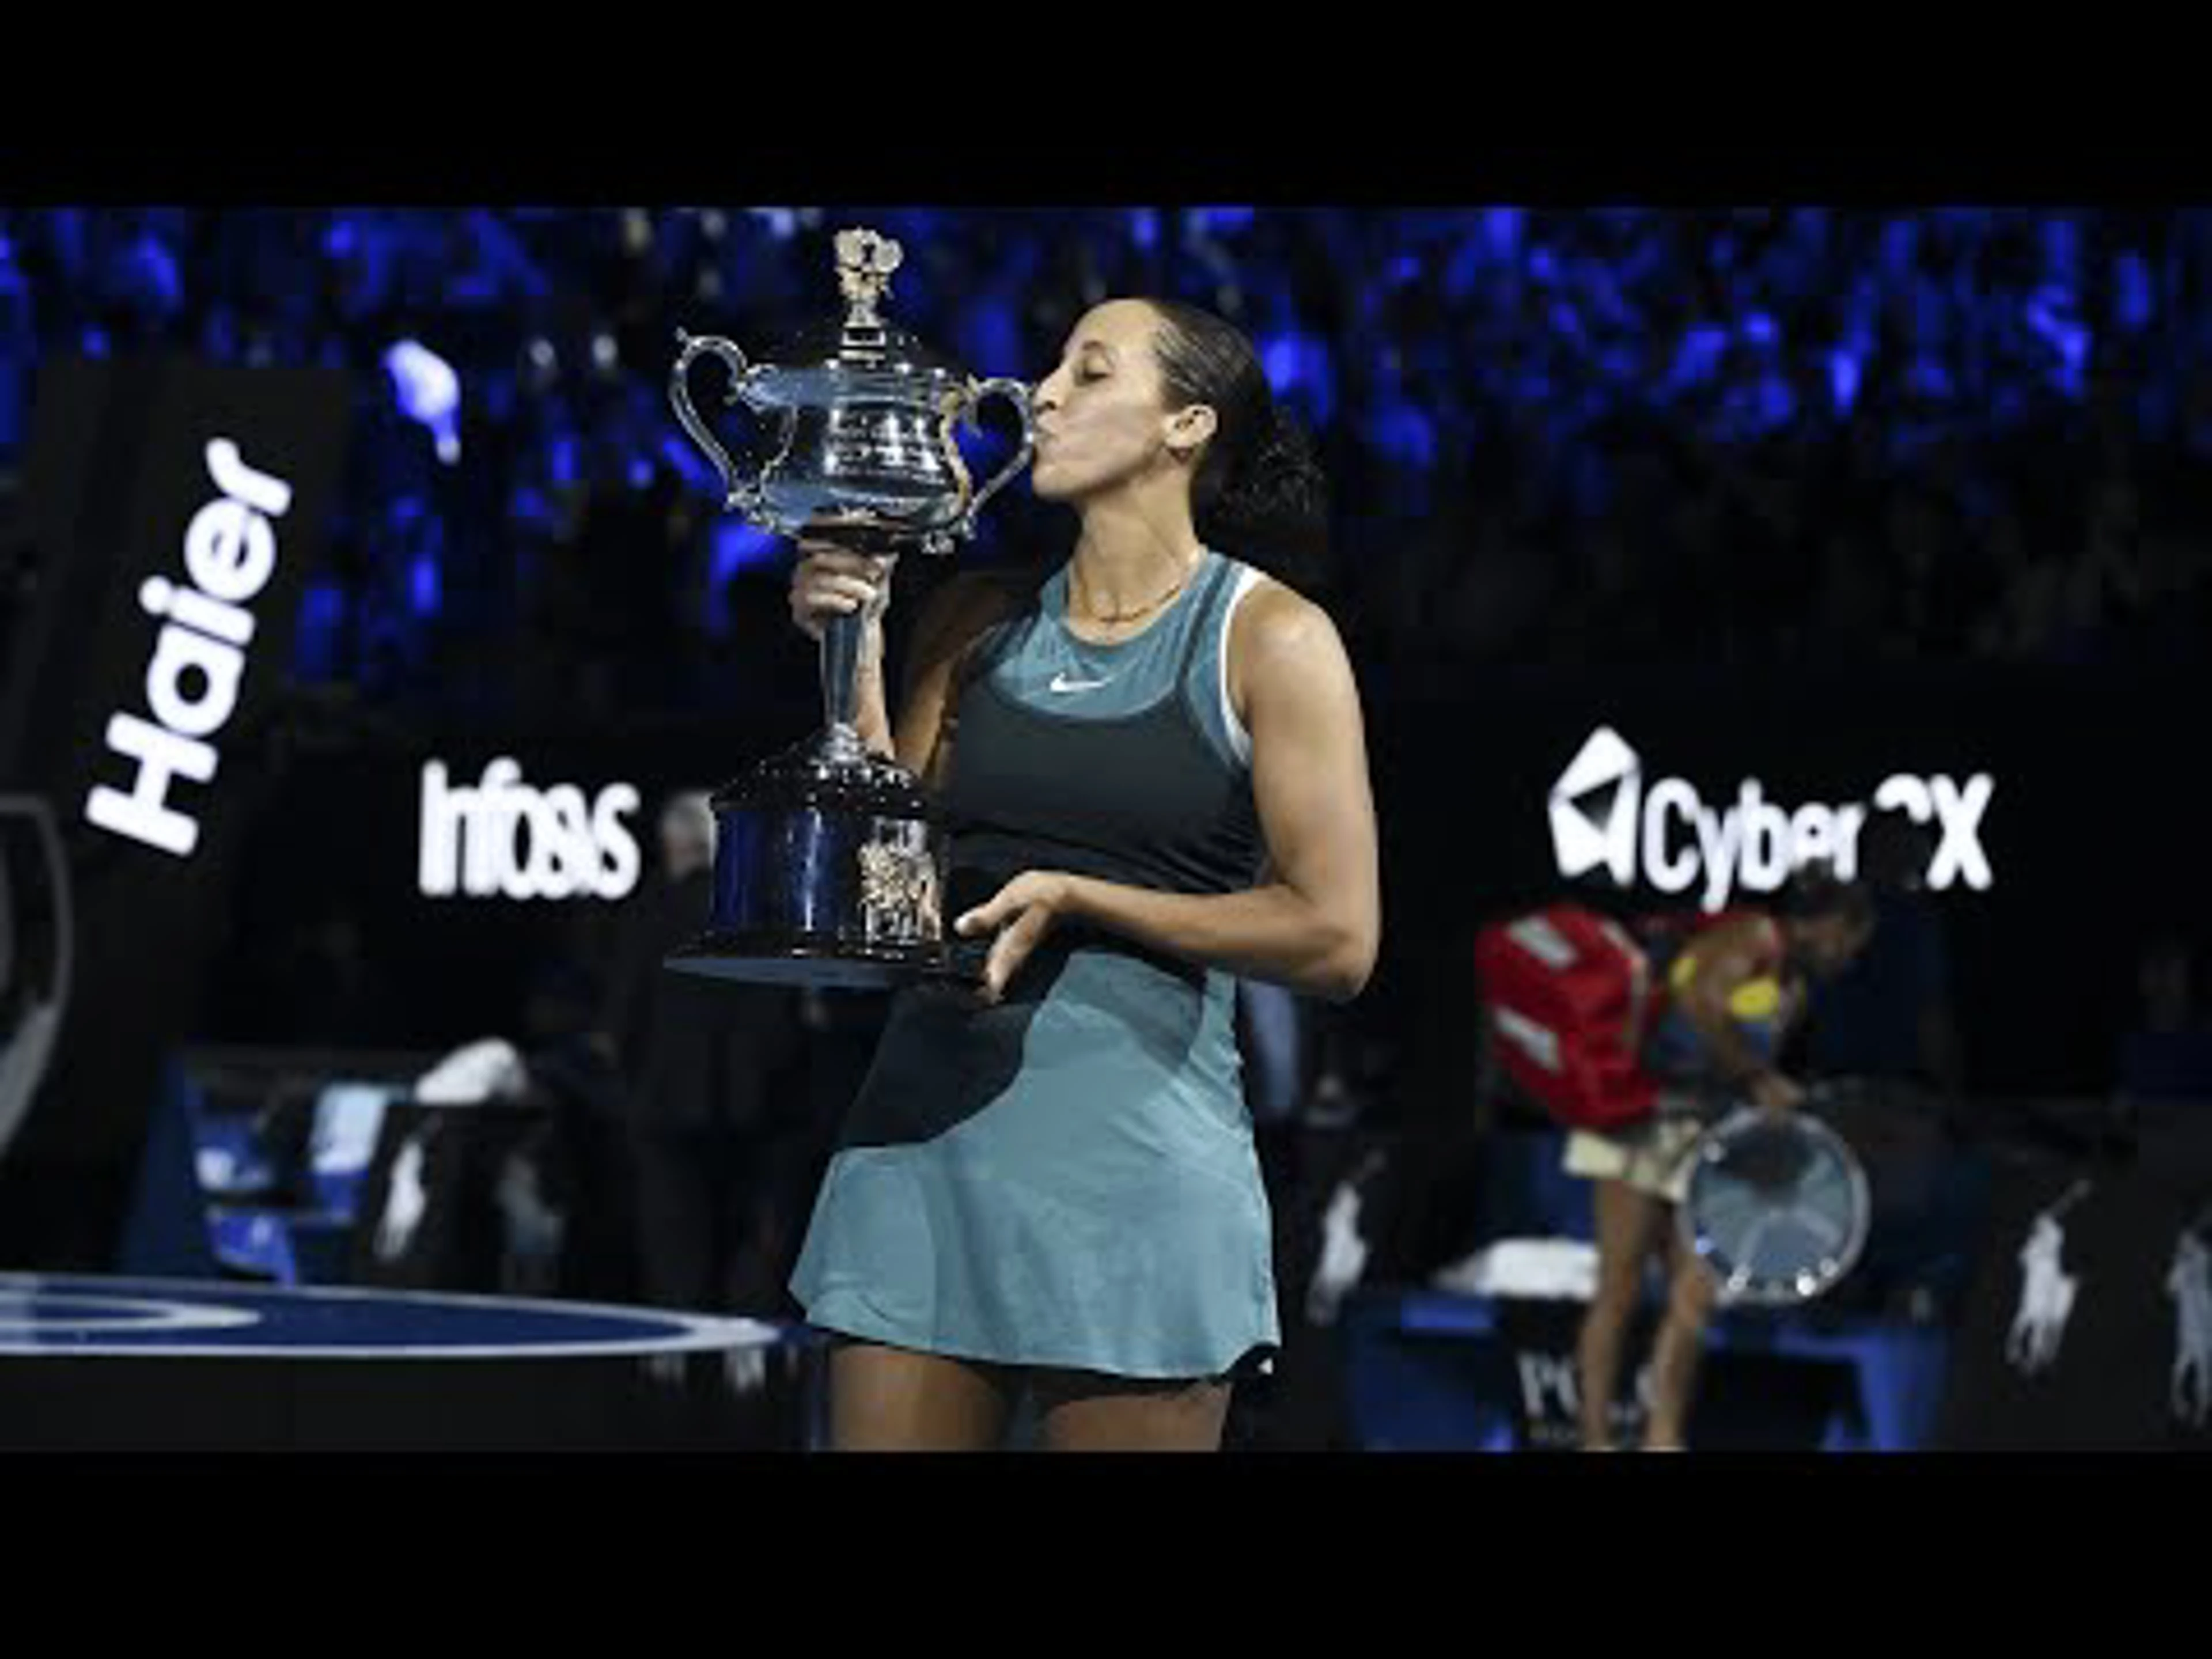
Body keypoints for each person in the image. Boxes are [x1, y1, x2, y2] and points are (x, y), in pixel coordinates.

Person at [783, 296, 1380, 1451]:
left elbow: (1337, 938)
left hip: (1137, 1188)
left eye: (1089, 373)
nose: (1044, 394)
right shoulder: (972, 619)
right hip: (919, 1155)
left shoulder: (1271, 639)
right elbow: (887, 883)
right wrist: (849, 651)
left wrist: (1082, 896)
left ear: (1185, 427)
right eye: (1052, 366)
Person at [1565, 869, 1874, 1450]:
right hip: (1639, 1115)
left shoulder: (1797, 991)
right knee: (1621, 1286)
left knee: (1695, 1294)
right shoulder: (1754, 937)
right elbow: (1698, 1001)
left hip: (1709, 1135)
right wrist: (1757, 1077)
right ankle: (1594, 1439)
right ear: (1831, 925)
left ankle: (1663, 1437)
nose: (1851, 958)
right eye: (1852, 942)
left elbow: (1741, 1064)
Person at [592, 790, 808, 1315]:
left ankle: (675, 1372)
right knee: (742, 1240)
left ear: (673, 845)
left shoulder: (648, 912)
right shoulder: (760, 910)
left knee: (675, 1251)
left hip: (663, 1108)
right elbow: (781, 1020)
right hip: (748, 1110)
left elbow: (621, 1018)